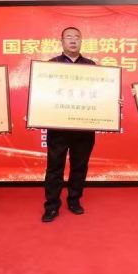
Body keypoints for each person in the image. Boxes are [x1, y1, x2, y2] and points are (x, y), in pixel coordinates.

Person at [42, 27, 97, 223]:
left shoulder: (91, 66)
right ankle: (51, 205)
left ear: (81, 41)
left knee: (79, 165)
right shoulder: (51, 65)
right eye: (69, 37)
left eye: (76, 37)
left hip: (84, 126)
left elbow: (100, 93)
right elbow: (43, 92)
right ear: (62, 41)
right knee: (54, 166)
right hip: (58, 126)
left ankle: (74, 200)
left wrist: (113, 102)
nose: (73, 40)